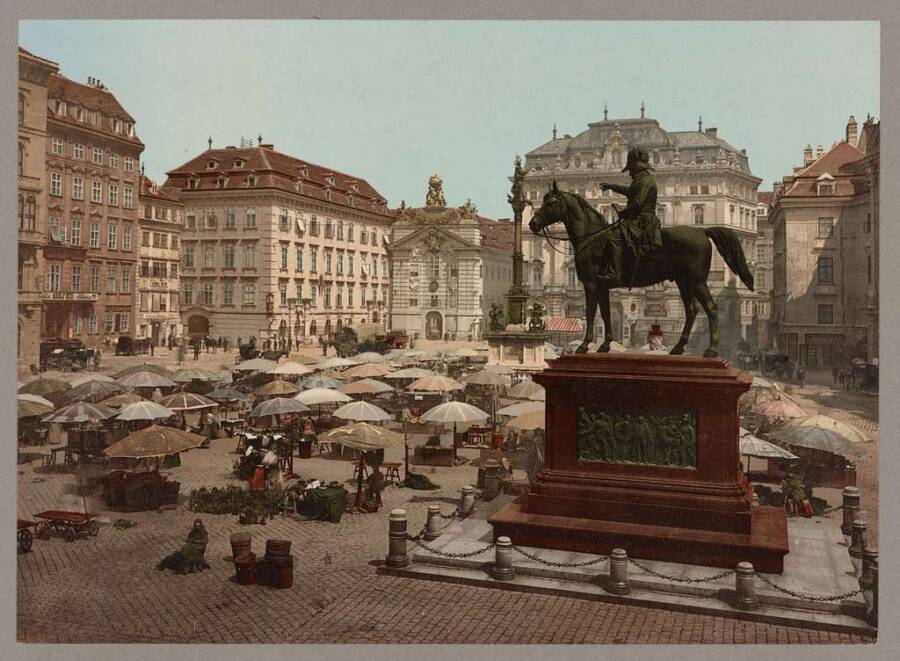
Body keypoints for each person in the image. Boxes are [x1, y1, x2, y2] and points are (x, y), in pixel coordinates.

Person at [598, 146, 663, 285]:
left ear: (637, 168)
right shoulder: (641, 180)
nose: (630, 173)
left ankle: (614, 274)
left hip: (642, 220)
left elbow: (637, 204)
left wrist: (622, 212)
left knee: (613, 237)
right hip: (638, 218)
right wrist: (611, 186)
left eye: (631, 169)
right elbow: (629, 191)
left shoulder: (645, 181)